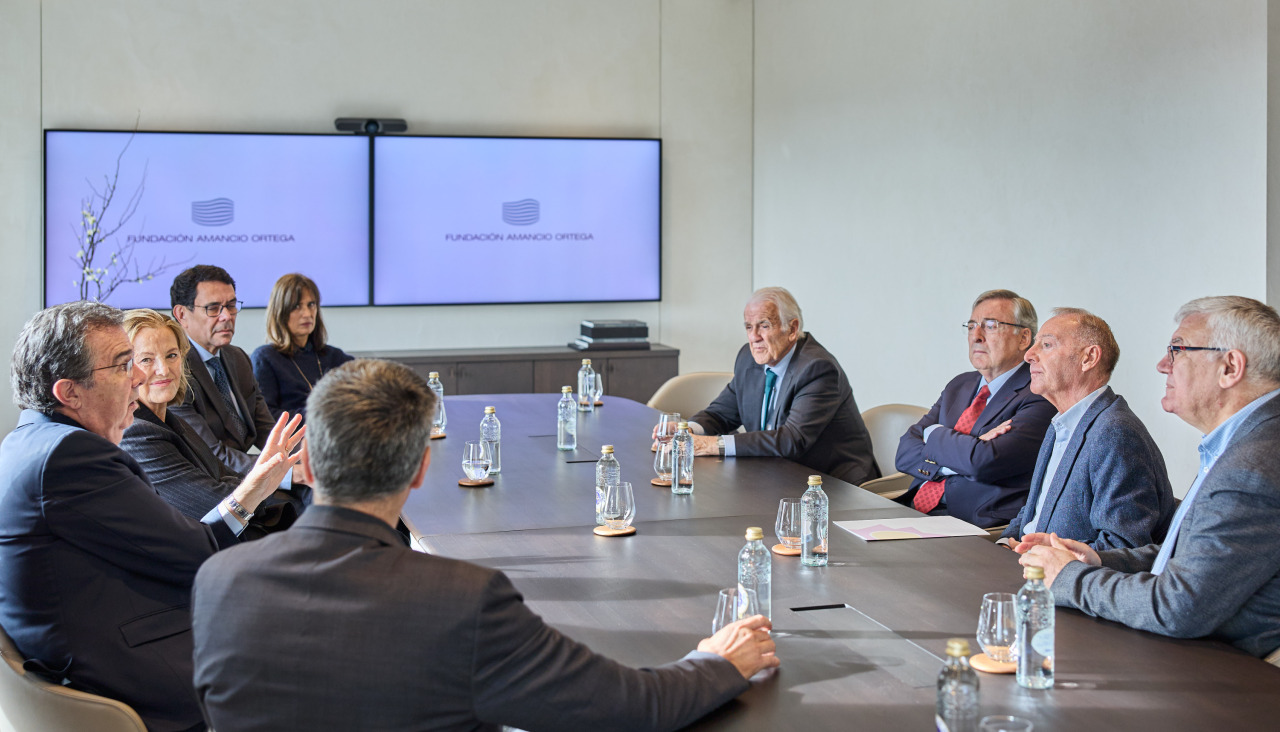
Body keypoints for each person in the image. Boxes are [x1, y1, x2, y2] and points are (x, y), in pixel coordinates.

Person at [192, 359, 779, 731]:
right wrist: (717, 662)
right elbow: (630, 709)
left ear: (310, 464)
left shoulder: (218, 584)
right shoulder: (461, 599)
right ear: (422, 469)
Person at [0, 301, 300, 732]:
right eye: (125, 365)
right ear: (69, 392)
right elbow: (197, 550)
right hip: (128, 669)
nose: (141, 377)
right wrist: (254, 489)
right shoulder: (74, 456)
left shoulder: (30, 439)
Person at [1020, 296, 1280, 659]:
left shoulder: (1252, 466)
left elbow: (1179, 606)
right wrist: (1099, 561)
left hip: (1219, 675)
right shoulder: (1244, 443)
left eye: (1177, 350)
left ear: (1230, 367)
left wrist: (1069, 577)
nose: (1162, 365)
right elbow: (1195, 554)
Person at [999, 308, 1175, 550]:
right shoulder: (1061, 423)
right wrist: (1003, 542)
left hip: (1064, 580)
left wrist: (1051, 556)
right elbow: (1034, 511)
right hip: (1024, 566)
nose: (1029, 354)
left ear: (1088, 358)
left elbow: (1122, 545)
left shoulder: (1115, 432)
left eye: (1047, 344)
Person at [120, 308, 304, 535]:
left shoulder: (172, 420)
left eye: (172, 355)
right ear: (125, 369)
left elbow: (226, 475)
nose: (164, 370)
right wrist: (263, 480)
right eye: (146, 359)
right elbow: (213, 502)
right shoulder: (135, 433)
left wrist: (260, 482)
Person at [683, 287, 879, 485]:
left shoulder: (817, 368)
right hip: (775, 478)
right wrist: (685, 431)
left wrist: (713, 445)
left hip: (833, 486)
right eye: (749, 327)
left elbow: (792, 440)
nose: (754, 337)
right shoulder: (749, 358)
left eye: (764, 326)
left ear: (792, 329)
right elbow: (721, 414)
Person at [895, 289, 1056, 528]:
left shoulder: (1038, 394)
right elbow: (904, 452)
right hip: (913, 511)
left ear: (1024, 338)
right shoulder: (960, 385)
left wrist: (933, 434)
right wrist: (964, 453)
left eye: (990, 326)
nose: (976, 336)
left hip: (974, 526)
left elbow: (983, 463)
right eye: (971, 326)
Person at [170, 264, 278, 474]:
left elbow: (268, 431)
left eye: (231, 305)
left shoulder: (237, 357)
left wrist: (304, 460)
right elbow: (212, 455)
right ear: (182, 314)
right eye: (213, 308)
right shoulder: (174, 371)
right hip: (212, 481)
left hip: (249, 471)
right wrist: (287, 471)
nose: (226, 316)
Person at [252, 273, 354, 421]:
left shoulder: (332, 355)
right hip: (295, 441)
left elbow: (371, 378)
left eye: (311, 305)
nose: (307, 314)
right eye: (296, 306)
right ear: (280, 311)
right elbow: (266, 418)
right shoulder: (265, 358)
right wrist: (325, 412)